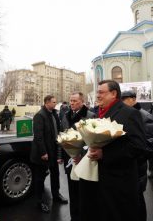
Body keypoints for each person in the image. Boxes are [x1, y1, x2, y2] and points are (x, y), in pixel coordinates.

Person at [80, 80, 151, 221]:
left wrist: (105, 154)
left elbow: (139, 147)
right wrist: (83, 155)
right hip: (100, 183)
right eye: (97, 92)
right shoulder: (97, 115)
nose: (97, 96)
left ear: (113, 94)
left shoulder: (129, 113)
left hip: (120, 185)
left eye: (101, 92)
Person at [30, 95, 68, 214]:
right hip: (43, 153)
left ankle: (56, 195)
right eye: (53, 102)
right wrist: (43, 152)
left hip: (53, 151)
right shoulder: (39, 116)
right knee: (40, 179)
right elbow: (38, 136)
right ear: (46, 102)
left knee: (55, 174)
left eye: (56, 102)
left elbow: (57, 130)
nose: (55, 104)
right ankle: (39, 201)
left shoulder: (54, 114)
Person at [61, 92, 96, 221]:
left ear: (82, 101)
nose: (72, 103)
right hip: (69, 159)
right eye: (70, 101)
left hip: (83, 159)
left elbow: (93, 140)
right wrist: (62, 155)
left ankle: (84, 216)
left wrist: (80, 155)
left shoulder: (90, 116)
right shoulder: (66, 116)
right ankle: (74, 216)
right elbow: (62, 136)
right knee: (72, 189)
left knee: (84, 191)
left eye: (75, 101)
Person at [121, 90, 153, 221]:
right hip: (126, 167)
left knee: (138, 200)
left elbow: (151, 143)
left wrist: (135, 157)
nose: (122, 102)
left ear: (133, 99)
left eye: (125, 99)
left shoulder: (144, 115)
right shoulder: (124, 114)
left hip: (138, 166)